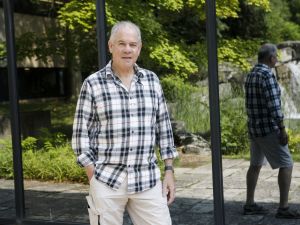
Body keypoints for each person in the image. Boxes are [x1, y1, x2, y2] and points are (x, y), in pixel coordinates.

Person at [72, 21, 178, 225]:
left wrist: (169, 171)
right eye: (122, 43)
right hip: (107, 180)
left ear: (139, 48)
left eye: (132, 44)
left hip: (147, 179)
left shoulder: (152, 81)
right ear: (111, 46)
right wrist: (92, 176)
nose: (127, 49)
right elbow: (80, 135)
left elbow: (164, 128)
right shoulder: (93, 83)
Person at [243, 43, 300, 219]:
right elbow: (274, 106)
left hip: (254, 127)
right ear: (271, 58)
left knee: (255, 164)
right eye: (276, 57)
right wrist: (282, 129)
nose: (277, 60)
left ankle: (249, 204)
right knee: (287, 164)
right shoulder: (267, 75)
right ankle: (283, 208)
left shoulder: (251, 73)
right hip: (268, 128)